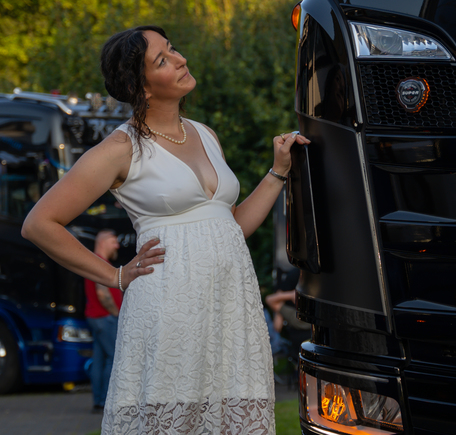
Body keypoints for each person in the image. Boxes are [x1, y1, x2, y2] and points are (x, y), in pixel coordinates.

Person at [21, 25, 310, 434]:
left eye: (172, 50)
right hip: (168, 304)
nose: (180, 60)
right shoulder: (121, 148)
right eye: (162, 60)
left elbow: (229, 226)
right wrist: (115, 275)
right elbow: (39, 224)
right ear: (138, 86)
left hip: (229, 304)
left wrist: (277, 172)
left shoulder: (205, 134)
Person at [84, 229, 123, 413]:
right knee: (114, 359)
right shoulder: (99, 263)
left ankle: (99, 402)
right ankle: (108, 402)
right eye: (114, 241)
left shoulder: (95, 262)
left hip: (97, 318)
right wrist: (117, 314)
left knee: (99, 360)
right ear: (104, 242)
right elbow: (102, 293)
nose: (117, 245)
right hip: (105, 318)